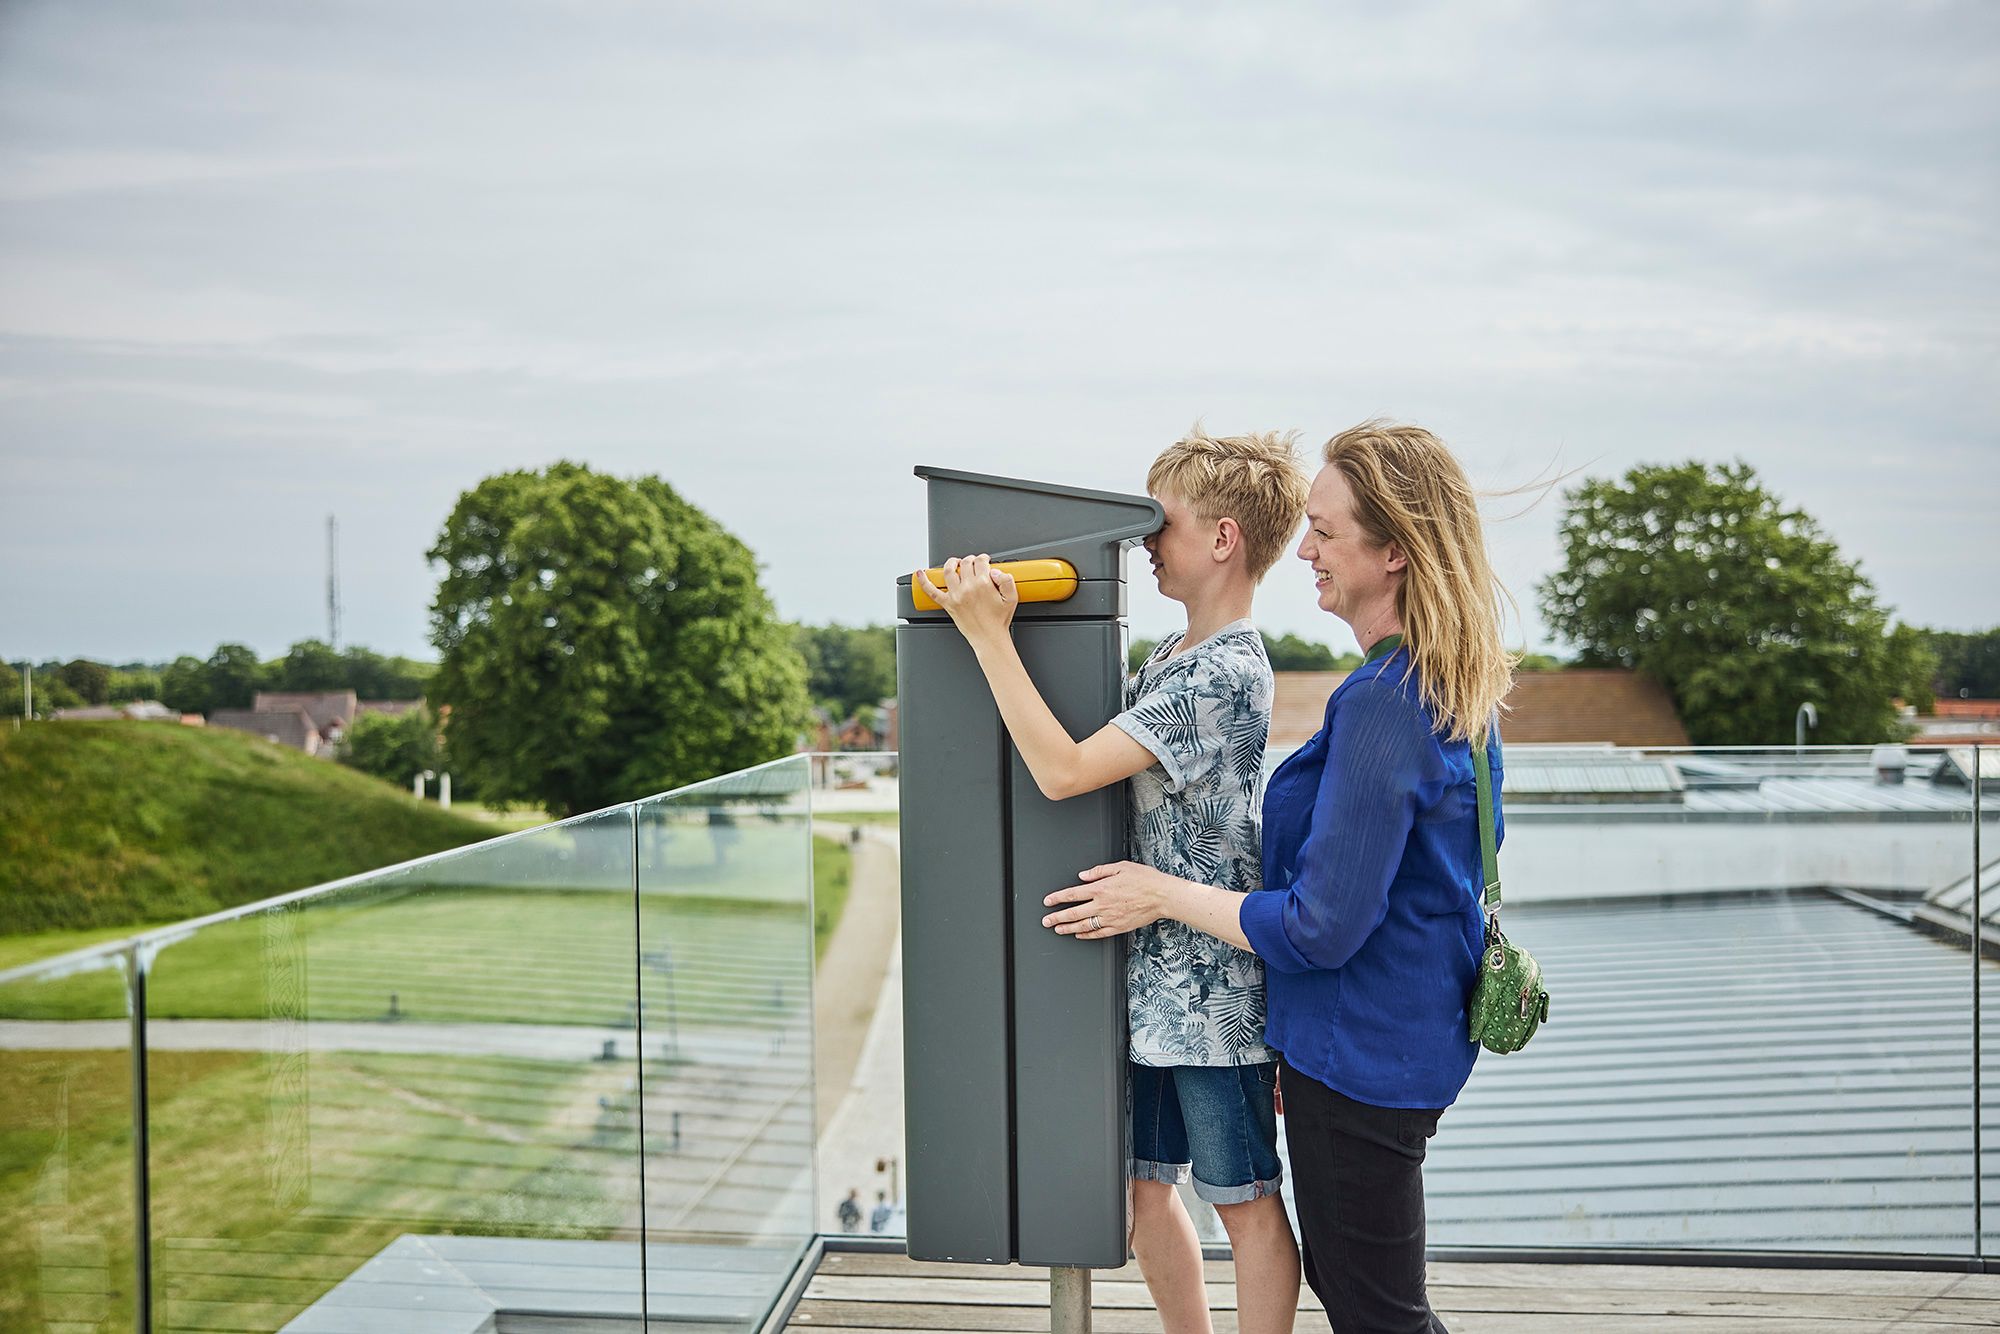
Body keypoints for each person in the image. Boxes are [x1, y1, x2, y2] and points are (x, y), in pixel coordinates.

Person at [1041, 421, 1514, 1333]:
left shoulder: (1386, 700)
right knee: (1365, 1296)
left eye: (1327, 533)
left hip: (1362, 1053)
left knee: (1375, 1310)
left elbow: (1321, 927)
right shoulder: (1447, 682)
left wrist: (1159, 892)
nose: (1305, 549)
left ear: (1399, 553)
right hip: (1391, 1039)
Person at [918, 427, 1308, 1334]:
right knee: (1142, 1195)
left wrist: (988, 635)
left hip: (1215, 1001)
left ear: (1223, 538)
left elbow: (1061, 771)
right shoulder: (1171, 658)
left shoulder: (1222, 672)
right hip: (1153, 987)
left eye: (1159, 523)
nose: (1142, 542)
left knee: (1245, 1205)